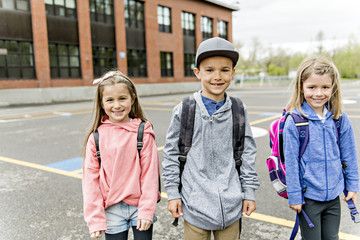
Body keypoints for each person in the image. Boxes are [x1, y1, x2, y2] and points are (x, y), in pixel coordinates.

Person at [162, 37, 260, 240]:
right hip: (194, 205)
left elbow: (247, 153)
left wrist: (248, 192)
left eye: (225, 70)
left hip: (231, 207)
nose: (217, 76)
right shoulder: (185, 109)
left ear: (233, 73)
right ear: (197, 73)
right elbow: (171, 154)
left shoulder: (238, 109)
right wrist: (173, 193)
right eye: (209, 70)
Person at [284, 56, 359, 239]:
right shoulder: (294, 122)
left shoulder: (339, 119)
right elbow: (291, 163)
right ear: (301, 88)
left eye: (325, 87)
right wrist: (294, 196)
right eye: (312, 87)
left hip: (333, 198)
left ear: (333, 88)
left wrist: (353, 186)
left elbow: (349, 156)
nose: (318, 93)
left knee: (332, 237)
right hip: (309, 199)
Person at [82, 70, 160, 240]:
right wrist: (95, 218)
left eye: (122, 98)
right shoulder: (96, 137)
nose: (116, 105)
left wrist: (146, 210)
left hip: (139, 206)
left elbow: (150, 175)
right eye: (110, 100)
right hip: (111, 210)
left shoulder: (143, 132)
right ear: (101, 103)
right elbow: (90, 181)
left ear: (132, 99)